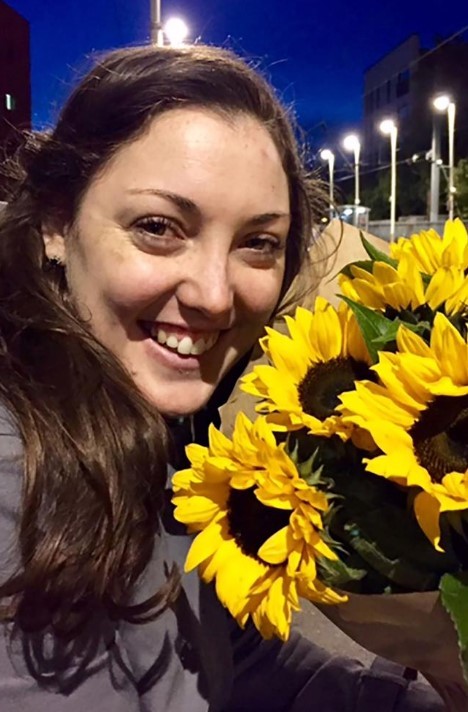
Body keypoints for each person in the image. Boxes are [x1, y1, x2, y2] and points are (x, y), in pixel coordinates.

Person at [0, 44, 443, 710]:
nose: (214, 293)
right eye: (159, 228)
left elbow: (227, 657)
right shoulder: (18, 474)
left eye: (257, 242)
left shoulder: (132, 420)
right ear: (58, 222)